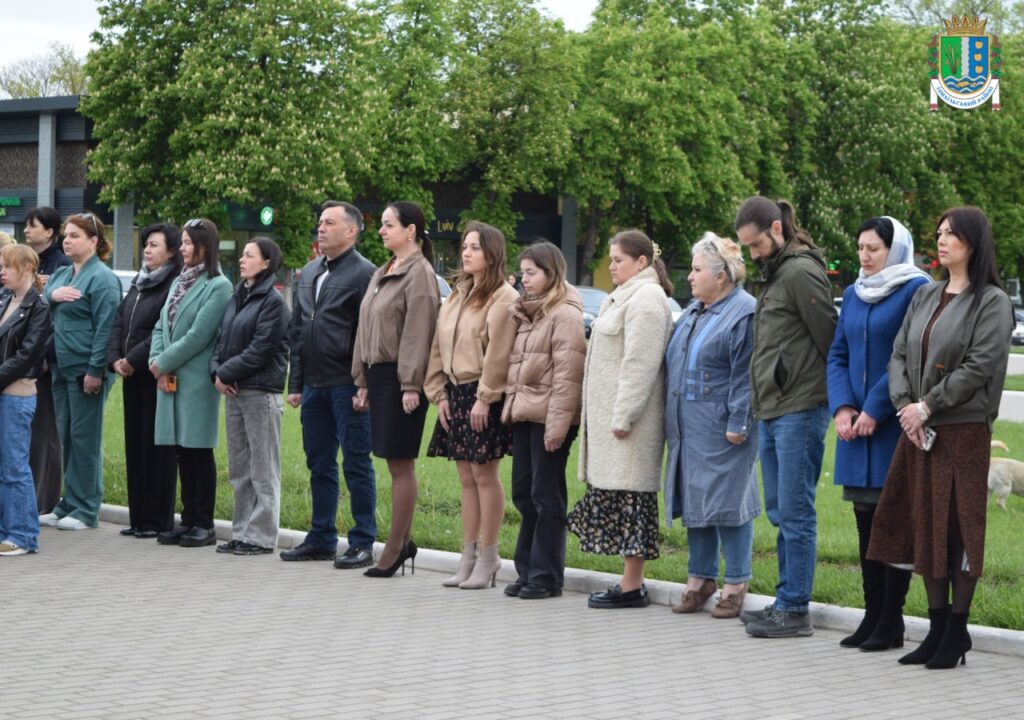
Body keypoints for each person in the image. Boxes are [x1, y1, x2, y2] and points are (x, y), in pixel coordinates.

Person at [868, 207, 1013, 669]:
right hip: (919, 431)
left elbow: (979, 365)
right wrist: (905, 407)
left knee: (959, 531)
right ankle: (935, 629)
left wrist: (928, 405)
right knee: (925, 527)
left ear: (974, 241)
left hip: (962, 432)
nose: (942, 240)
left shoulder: (991, 302)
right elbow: (898, 355)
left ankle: (957, 630)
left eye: (951, 234)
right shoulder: (926, 295)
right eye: (939, 233)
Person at [826, 217, 930, 650]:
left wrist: (874, 407)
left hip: (892, 427)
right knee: (865, 521)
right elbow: (838, 354)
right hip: (856, 430)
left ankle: (891, 620)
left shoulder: (916, 289)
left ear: (895, 249)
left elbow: (908, 357)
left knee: (894, 524)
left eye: (873, 249)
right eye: (861, 248)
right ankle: (872, 616)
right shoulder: (854, 292)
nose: (864, 256)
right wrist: (843, 406)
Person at [734, 197, 836, 638]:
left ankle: (795, 609)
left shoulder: (799, 271)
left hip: (800, 407)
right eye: (747, 247)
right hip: (774, 407)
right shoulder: (777, 272)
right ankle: (785, 600)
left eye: (756, 244)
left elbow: (829, 338)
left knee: (795, 512)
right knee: (779, 510)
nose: (753, 254)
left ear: (776, 229)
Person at [568, 230, 673, 609]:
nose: (611, 266)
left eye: (618, 260)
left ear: (641, 262)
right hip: (614, 424)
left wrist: (624, 416)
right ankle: (628, 582)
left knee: (633, 502)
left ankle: (632, 586)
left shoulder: (646, 299)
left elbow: (640, 365)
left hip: (630, 426)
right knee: (621, 500)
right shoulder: (626, 295)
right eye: (610, 259)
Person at [664, 233, 759, 619]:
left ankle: (736, 583)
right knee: (696, 500)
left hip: (724, 428)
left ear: (721, 276)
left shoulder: (744, 312)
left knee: (730, 503)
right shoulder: (693, 311)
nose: (689, 277)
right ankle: (700, 579)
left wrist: (739, 421)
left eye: (697, 270)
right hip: (689, 427)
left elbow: (746, 374)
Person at [282, 201, 377, 567]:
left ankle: (362, 540)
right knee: (319, 462)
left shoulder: (365, 273)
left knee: (356, 463)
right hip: (314, 385)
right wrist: (296, 383)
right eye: (320, 222)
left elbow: (368, 334)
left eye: (329, 223)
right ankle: (321, 537)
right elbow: (298, 330)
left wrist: (364, 383)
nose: (320, 228)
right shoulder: (309, 271)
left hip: (347, 384)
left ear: (351, 231)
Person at [424, 221, 518, 589]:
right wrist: (439, 393)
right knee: (466, 476)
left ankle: (490, 555)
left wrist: (485, 397)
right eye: (465, 246)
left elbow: (499, 353)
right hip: (455, 392)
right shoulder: (457, 294)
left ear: (492, 253)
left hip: (483, 393)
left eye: (475, 247)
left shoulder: (502, 297)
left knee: (484, 475)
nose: (466, 252)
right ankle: (468, 556)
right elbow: (438, 346)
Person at [352, 201, 440, 577]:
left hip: (402, 379)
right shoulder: (384, 270)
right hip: (380, 376)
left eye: (389, 225)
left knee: (400, 463)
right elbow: (365, 327)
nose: (382, 230)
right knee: (391, 461)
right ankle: (402, 542)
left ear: (411, 231)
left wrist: (410, 384)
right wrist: (361, 379)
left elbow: (418, 332)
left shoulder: (420, 273)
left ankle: (396, 546)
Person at [502, 242, 586, 599]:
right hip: (525, 414)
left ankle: (546, 575)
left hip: (550, 419)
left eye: (532, 272)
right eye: (522, 272)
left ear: (551, 273)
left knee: (546, 495)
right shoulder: (530, 312)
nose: (525, 278)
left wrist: (557, 428)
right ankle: (527, 569)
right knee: (524, 493)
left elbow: (568, 376)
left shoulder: (564, 314)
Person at [149, 218, 232, 548]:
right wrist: (156, 360)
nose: (182, 248)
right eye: (182, 242)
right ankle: (187, 520)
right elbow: (161, 324)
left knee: (198, 450)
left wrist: (163, 363)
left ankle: (204, 523)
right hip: (171, 377)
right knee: (181, 451)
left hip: (195, 380)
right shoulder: (179, 281)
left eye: (187, 243)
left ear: (204, 246)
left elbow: (199, 335)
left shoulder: (219, 286)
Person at [38, 213, 122, 530]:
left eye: (75, 235)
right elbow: (40, 302)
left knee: (85, 439)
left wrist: (95, 370)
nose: (67, 241)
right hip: (60, 366)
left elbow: (105, 329)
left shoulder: (102, 278)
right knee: (67, 436)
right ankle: (68, 503)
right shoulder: (63, 274)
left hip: (85, 369)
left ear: (94, 241)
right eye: (66, 235)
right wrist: (52, 295)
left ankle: (86, 509)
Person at [211, 238, 289, 555]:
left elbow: (260, 350)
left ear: (266, 263)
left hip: (260, 392)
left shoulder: (273, 302)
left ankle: (261, 537)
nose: (242, 259)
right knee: (240, 469)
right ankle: (242, 532)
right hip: (234, 391)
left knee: (263, 469)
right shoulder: (237, 297)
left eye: (249, 255)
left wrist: (224, 372)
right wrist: (216, 373)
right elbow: (222, 341)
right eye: (242, 254)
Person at [106, 224, 183, 539]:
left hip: (153, 373)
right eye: (146, 244)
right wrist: (114, 358)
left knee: (157, 449)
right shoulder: (140, 282)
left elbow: (161, 330)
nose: (147, 250)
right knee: (135, 446)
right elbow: (119, 321)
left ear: (172, 251)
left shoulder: (173, 284)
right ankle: (138, 517)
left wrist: (132, 359)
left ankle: (156, 519)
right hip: (130, 375)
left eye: (154, 245)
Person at [0, 245, 53, 555]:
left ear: (28, 269)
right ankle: (6, 530)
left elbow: (27, 355)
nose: (2, 272)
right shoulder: (6, 300)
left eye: (8, 266)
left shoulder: (39, 307)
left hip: (17, 395)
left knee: (15, 467)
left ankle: (22, 535)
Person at [23, 205, 69, 513]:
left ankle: (44, 499)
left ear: (50, 232)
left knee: (45, 433)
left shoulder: (61, 265)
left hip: (48, 359)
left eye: (33, 225)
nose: (26, 230)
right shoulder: (25, 260)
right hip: (24, 358)